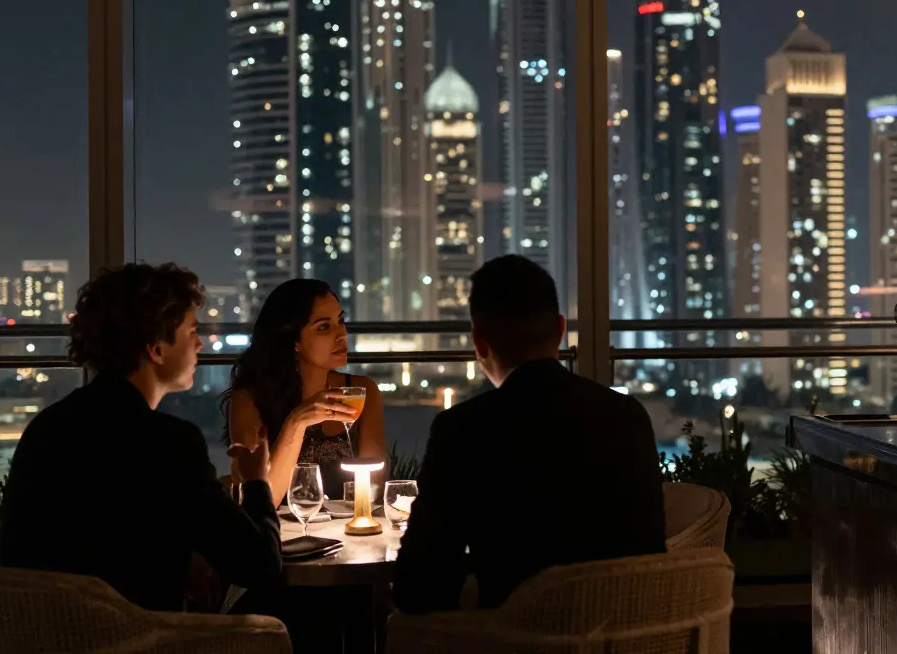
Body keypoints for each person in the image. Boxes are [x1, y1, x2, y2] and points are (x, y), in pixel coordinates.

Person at [393, 255, 667, 614]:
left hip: (517, 639)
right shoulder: (627, 415)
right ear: (560, 329)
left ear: (479, 343)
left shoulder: (464, 429)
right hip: (630, 631)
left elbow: (422, 581)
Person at [0, 263, 282, 612]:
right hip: (142, 640)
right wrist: (257, 481)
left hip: (39, 635)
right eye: (192, 331)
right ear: (156, 349)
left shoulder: (46, 428)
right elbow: (259, 565)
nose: (199, 344)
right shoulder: (169, 442)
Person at [224, 279, 386, 506]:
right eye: (323, 327)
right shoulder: (250, 399)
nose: (341, 334)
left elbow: (374, 491)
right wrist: (297, 422)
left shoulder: (361, 392)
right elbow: (262, 502)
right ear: (293, 340)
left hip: (343, 531)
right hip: (279, 535)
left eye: (341, 321)